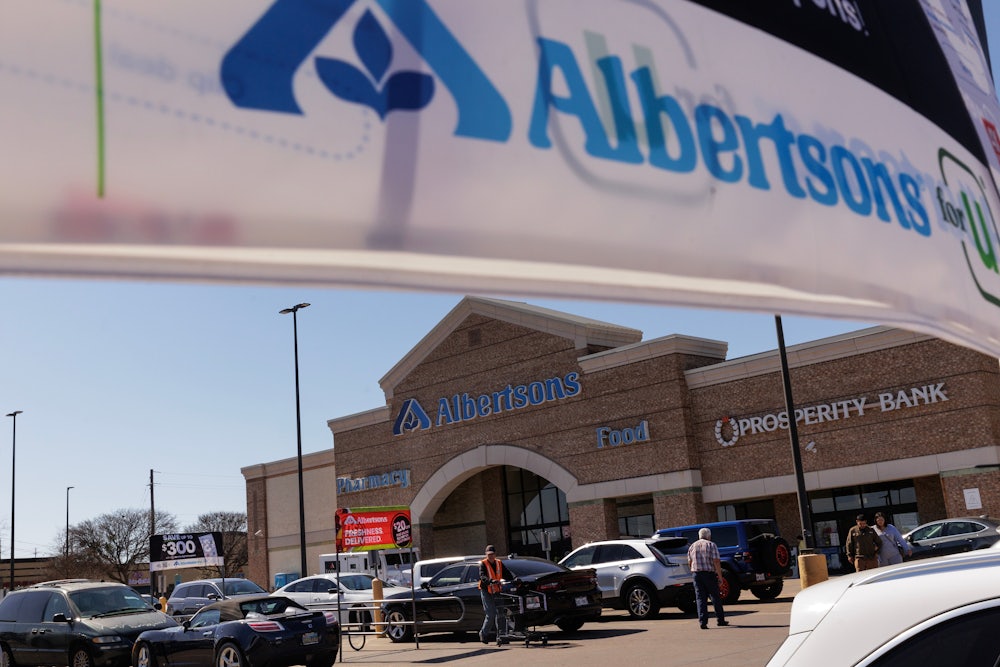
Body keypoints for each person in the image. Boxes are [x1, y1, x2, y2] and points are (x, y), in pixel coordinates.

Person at [687, 527, 729, 629]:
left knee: (700, 598)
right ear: (708, 536)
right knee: (715, 597)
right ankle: (720, 620)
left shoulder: (692, 546)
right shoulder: (711, 545)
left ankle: (703, 622)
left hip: (696, 574)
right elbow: (716, 561)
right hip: (709, 573)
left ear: (699, 536)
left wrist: (693, 571)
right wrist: (719, 576)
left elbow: (689, 562)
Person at [478, 544, 513, 644]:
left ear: (495, 554)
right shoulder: (483, 564)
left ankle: (502, 636)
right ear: (486, 555)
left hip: (497, 590)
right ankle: (483, 634)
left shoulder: (499, 563)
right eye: (489, 554)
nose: (491, 556)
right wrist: (490, 581)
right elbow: (482, 576)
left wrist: (514, 579)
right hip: (486, 591)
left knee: (501, 613)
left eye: (492, 554)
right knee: (491, 614)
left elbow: (508, 574)